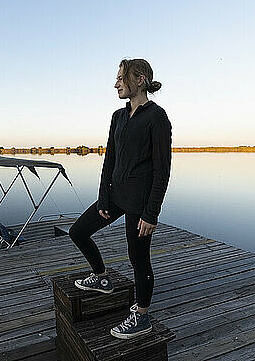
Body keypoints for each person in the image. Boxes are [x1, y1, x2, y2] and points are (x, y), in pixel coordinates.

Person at [68, 58, 172, 340]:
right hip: (115, 195)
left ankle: (142, 316)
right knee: (78, 231)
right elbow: (110, 159)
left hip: (140, 203)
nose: (115, 84)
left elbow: (162, 170)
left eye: (120, 78)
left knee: (138, 258)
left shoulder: (157, 117)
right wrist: (104, 197)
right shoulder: (118, 116)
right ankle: (101, 277)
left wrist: (151, 214)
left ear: (139, 80)